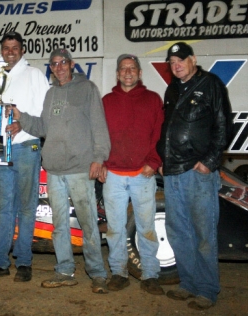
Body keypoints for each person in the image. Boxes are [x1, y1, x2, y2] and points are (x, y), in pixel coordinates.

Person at [9, 48, 111, 294]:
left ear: (71, 64)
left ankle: (97, 272)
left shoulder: (88, 89)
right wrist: (22, 119)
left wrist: (99, 158)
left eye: (62, 62)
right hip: (54, 169)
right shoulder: (51, 93)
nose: (58, 67)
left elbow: (99, 126)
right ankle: (65, 270)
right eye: (54, 64)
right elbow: (44, 126)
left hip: (80, 168)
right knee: (59, 225)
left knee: (87, 224)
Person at [157, 42, 233, 310]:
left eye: (181, 59)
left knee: (203, 234)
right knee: (178, 232)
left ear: (193, 60)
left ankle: (207, 289)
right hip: (173, 172)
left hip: (197, 172)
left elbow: (224, 125)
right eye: (172, 61)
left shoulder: (210, 84)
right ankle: (188, 283)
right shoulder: (172, 89)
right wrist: (163, 160)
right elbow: (167, 128)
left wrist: (210, 162)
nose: (176, 64)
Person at [0, 31, 49, 282]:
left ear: (22, 49)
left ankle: (24, 262)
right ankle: (0, 262)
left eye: (15, 47)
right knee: (4, 207)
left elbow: (43, 112)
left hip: (26, 144)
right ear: (1, 48)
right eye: (6, 47)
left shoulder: (35, 75)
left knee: (27, 207)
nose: (10, 51)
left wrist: (23, 125)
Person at [99, 54, 164, 295]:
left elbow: (159, 134)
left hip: (142, 175)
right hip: (113, 175)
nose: (128, 72)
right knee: (114, 228)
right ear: (117, 74)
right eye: (123, 69)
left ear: (139, 73)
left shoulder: (153, 100)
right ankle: (118, 273)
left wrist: (153, 161)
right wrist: (102, 162)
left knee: (146, 227)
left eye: (132, 68)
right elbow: (99, 136)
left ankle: (150, 274)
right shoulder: (106, 101)